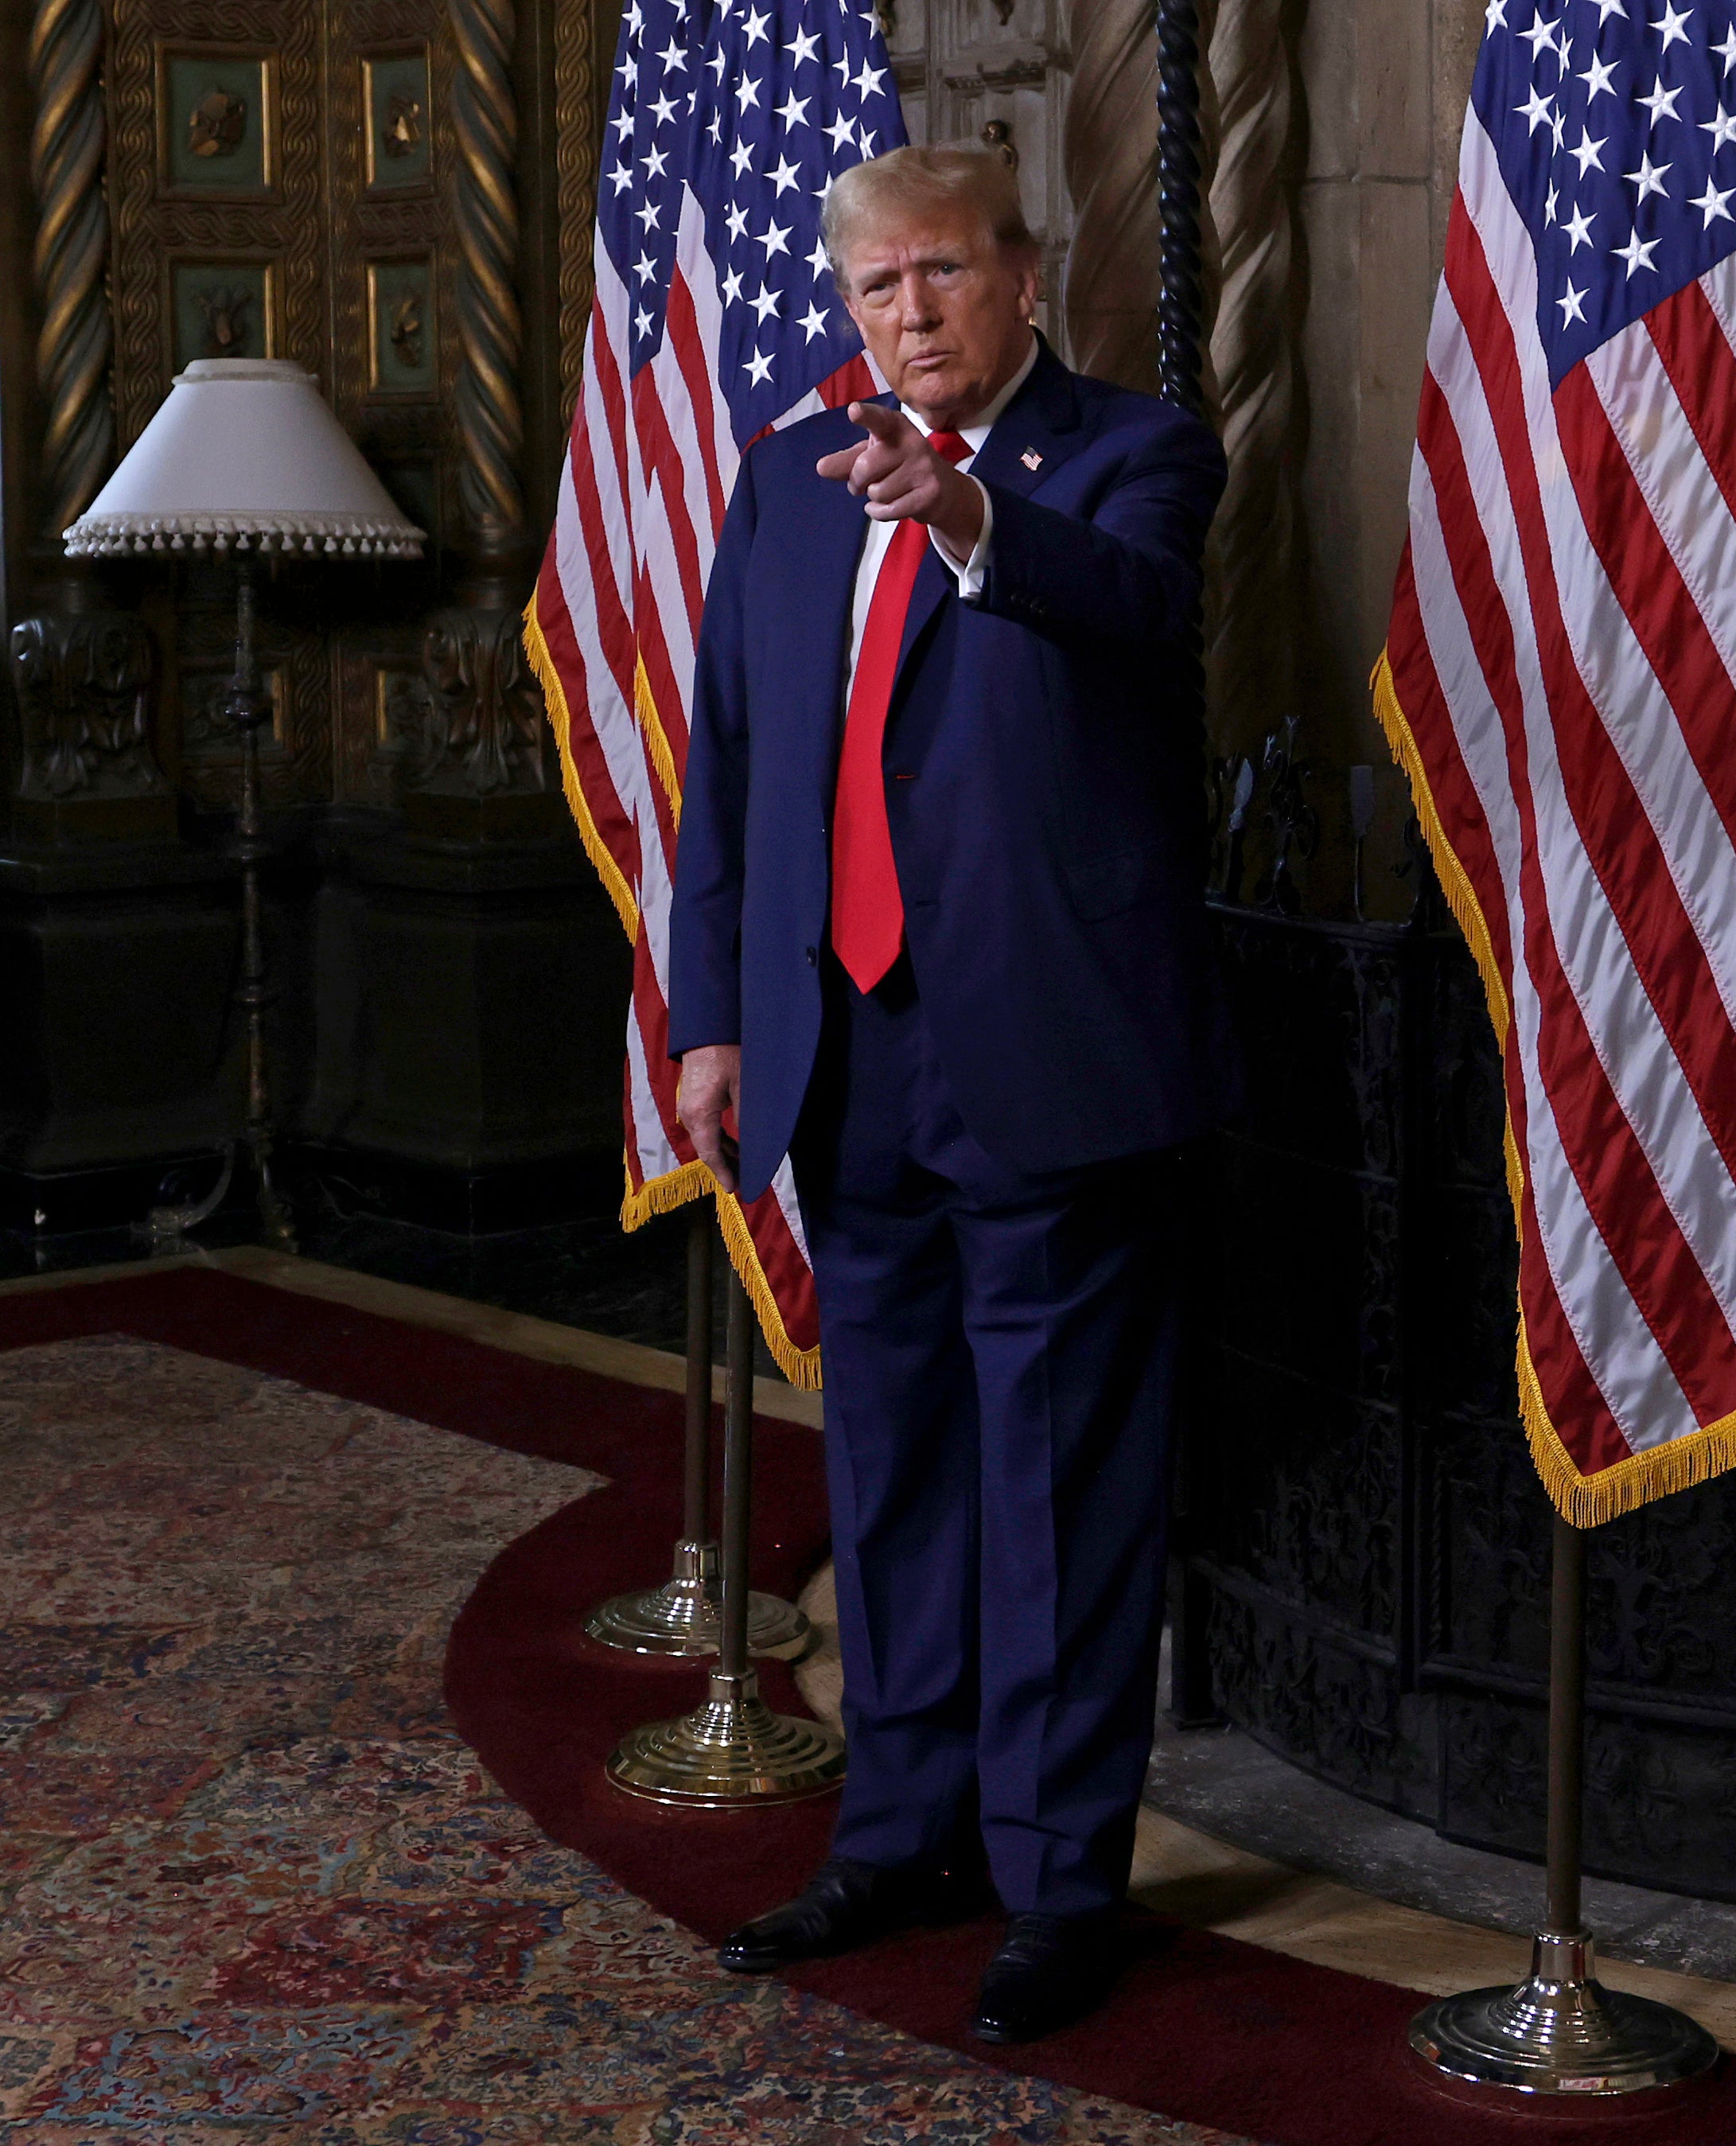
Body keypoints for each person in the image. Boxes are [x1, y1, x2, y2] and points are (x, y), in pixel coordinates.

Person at [664, 143, 1232, 2045]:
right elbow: (732, 765)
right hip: (845, 1051)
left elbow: (1136, 609)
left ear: (1026, 275)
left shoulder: (1139, 455)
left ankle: (1058, 1876)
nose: (910, 315)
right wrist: (716, 1015)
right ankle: (901, 1829)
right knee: (891, 1469)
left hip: (1051, 1055)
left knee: (1060, 1482)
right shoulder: (785, 486)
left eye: (944, 278)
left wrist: (974, 513)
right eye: (877, 288)